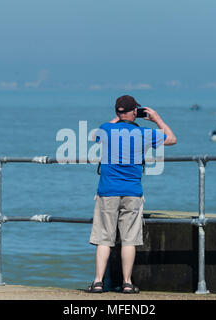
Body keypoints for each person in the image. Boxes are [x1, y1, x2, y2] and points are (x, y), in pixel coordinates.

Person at [87, 95, 177, 294]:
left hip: (107, 190)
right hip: (132, 192)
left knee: (104, 239)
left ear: (117, 112)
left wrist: (117, 117)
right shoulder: (144, 133)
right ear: (136, 111)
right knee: (129, 240)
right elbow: (172, 139)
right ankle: (127, 283)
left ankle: (98, 282)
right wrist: (156, 118)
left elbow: (96, 136)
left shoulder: (106, 129)